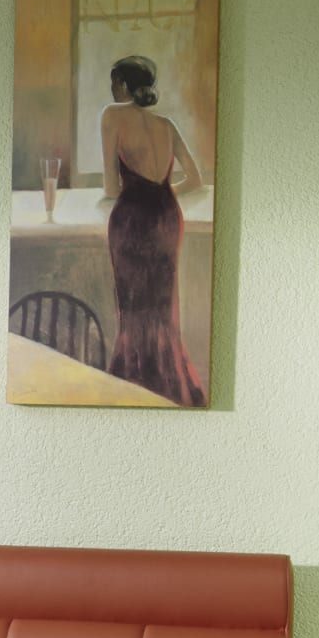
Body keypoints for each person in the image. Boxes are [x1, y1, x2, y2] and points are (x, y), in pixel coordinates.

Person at [97, 56, 207, 407]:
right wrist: (160, 192)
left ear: (123, 86)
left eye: (115, 83)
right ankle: (170, 384)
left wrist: (137, 191)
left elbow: (111, 188)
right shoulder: (166, 124)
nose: (112, 89)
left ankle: (134, 382)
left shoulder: (112, 115)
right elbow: (195, 179)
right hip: (167, 216)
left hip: (133, 219)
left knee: (133, 308)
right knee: (162, 307)